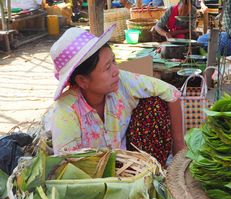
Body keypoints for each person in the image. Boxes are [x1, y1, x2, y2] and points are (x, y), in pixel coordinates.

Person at [48, 25, 185, 166]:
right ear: (82, 80)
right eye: (107, 67)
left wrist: (179, 146)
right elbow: (65, 169)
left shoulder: (121, 81)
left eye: (114, 61)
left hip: (130, 165)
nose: (116, 71)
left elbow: (171, 93)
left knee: (154, 104)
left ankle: (155, 168)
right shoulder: (65, 112)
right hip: (91, 180)